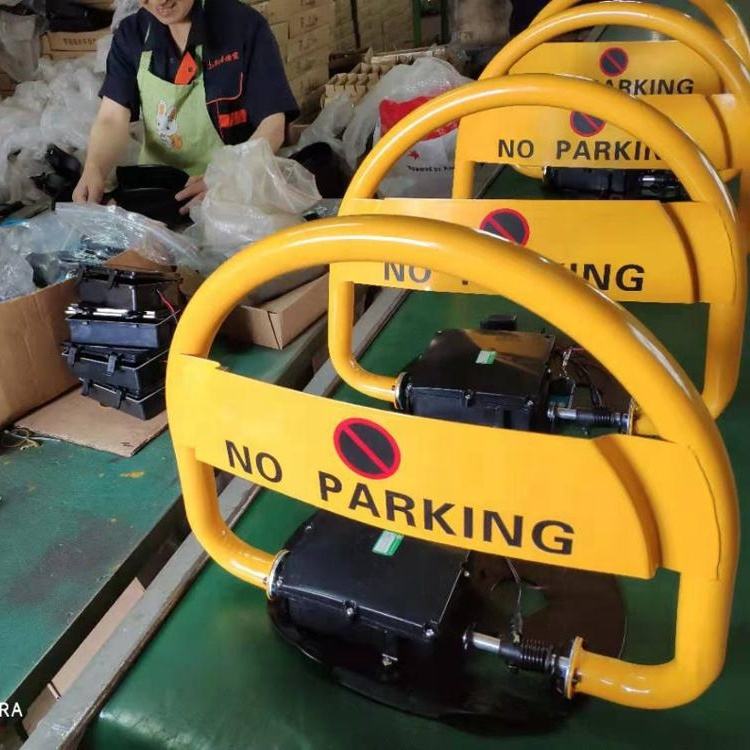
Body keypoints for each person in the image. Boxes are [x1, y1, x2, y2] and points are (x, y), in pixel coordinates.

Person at [73, 0, 298, 214]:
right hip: (159, 193)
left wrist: (229, 177)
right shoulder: (132, 34)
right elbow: (112, 117)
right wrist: (94, 169)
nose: (160, 2)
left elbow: (272, 125)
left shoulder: (243, 26)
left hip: (233, 193)